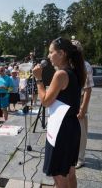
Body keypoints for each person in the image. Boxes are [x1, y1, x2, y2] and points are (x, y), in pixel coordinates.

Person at [33, 37, 86, 188]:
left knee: (58, 175)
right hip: (71, 127)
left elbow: (45, 101)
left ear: (62, 53)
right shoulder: (74, 71)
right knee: (70, 172)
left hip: (61, 129)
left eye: (51, 52)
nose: (48, 56)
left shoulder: (61, 74)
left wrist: (38, 79)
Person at [71, 39, 94, 169]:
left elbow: (88, 89)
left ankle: (80, 158)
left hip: (79, 102)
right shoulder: (67, 65)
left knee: (81, 132)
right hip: (67, 102)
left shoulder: (85, 66)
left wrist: (83, 109)